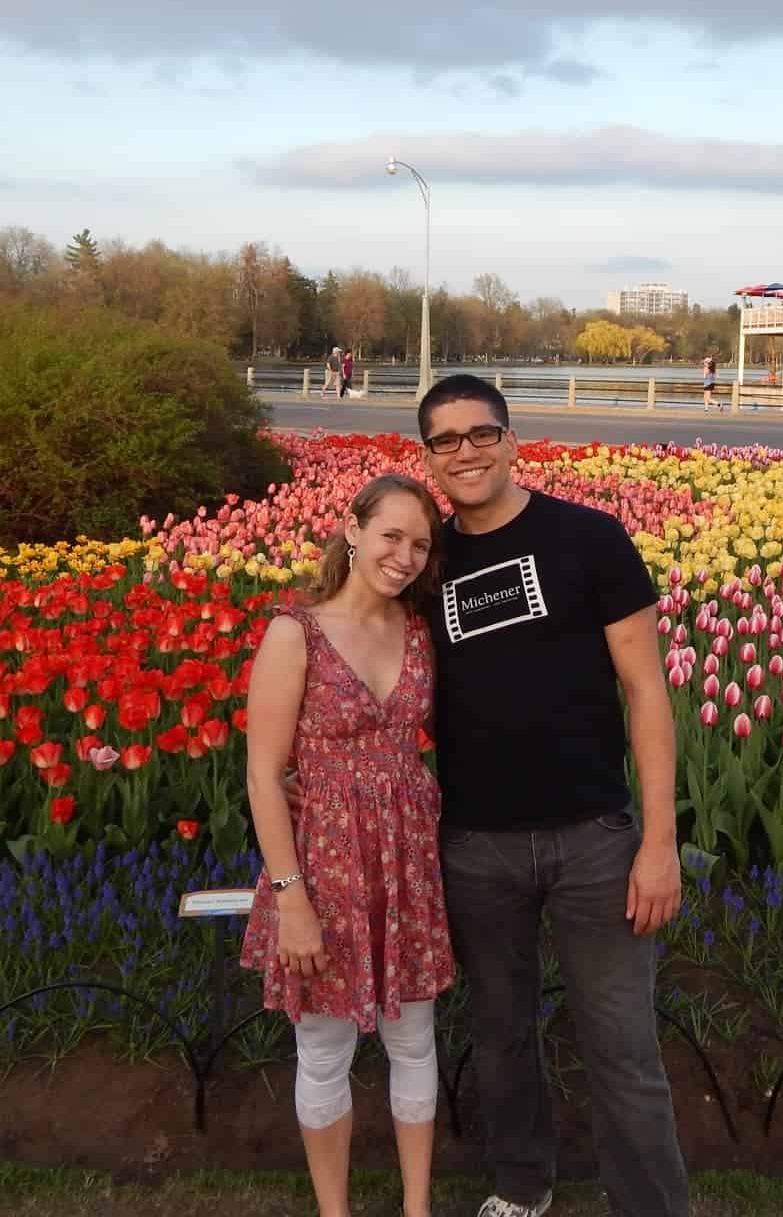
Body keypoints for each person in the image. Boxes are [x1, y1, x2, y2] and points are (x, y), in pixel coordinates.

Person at [415, 374, 687, 1217]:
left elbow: (646, 691)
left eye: (480, 433)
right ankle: (523, 1184)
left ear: (511, 438)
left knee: (622, 1046)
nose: (466, 451)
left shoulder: (588, 539)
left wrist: (658, 840)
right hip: (475, 841)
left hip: (593, 837)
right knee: (500, 1036)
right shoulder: (426, 562)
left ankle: (652, 1206)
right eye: (446, 440)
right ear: (427, 456)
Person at [242, 473, 455, 1217]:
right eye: (392, 534)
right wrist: (289, 899)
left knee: (413, 1040)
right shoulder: (293, 632)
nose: (405, 555)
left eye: (421, 544)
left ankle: (416, 1208)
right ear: (352, 529)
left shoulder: (422, 631)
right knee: (325, 1048)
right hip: (325, 865)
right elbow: (265, 779)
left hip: (407, 860)